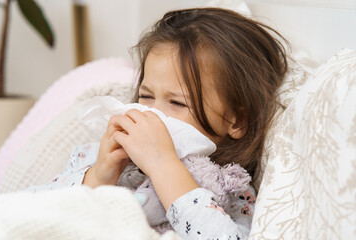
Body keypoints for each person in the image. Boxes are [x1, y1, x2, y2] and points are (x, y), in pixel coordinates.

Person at [27, 7, 288, 239]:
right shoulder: (96, 157)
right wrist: (97, 175)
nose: (152, 114)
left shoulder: (232, 189)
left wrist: (163, 165)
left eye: (177, 103)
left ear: (236, 120)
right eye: (146, 96)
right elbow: (30, 211)